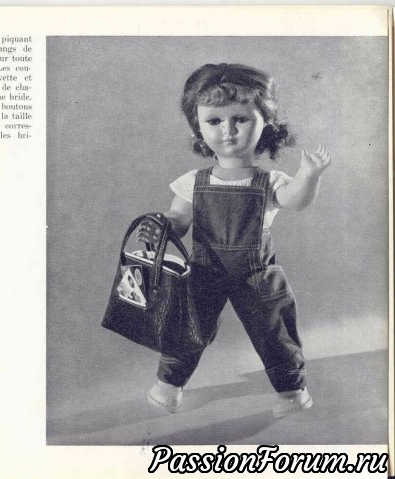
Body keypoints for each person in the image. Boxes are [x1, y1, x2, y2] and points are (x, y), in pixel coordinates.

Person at [136, 63, 331, 418]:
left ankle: (292, 392)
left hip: (257, 275)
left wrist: (309, 175)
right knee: (186, 329)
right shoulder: (193, 181)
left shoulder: (270, 181)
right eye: (214, 121)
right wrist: (161, 225)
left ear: (266, 122)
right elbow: (179, 218)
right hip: (204, 272)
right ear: (198, 126)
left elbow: (295, 201)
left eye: (240, 119)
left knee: (275, 332)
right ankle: (168, 386)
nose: (227, 131)